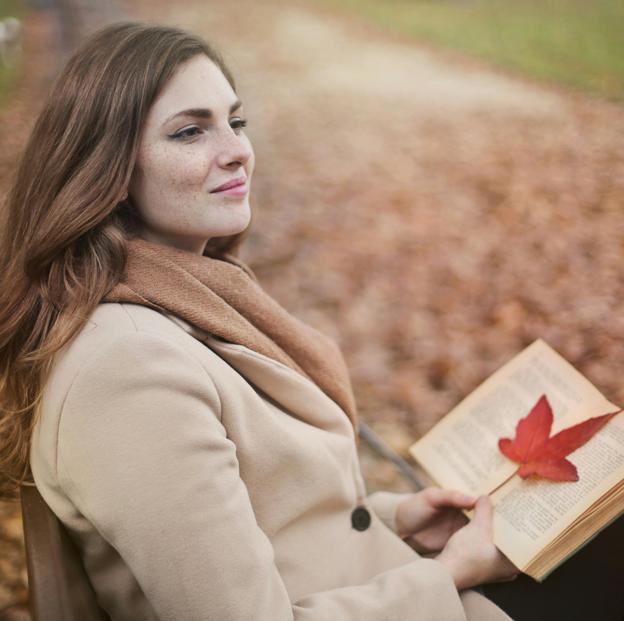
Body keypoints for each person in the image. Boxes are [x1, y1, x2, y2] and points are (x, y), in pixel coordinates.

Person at [0, 22, 523, 620]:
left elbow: (258, 525)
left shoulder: (191, 301)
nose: (236, 150)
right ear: (108, 171)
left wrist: (392, 520)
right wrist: (449, 576)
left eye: (236, 121)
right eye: (191, 130)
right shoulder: (126, 370)